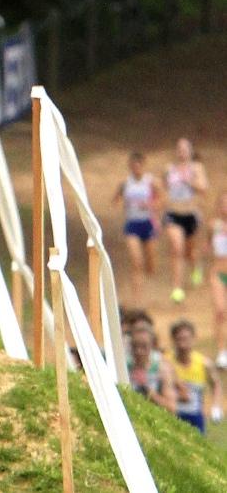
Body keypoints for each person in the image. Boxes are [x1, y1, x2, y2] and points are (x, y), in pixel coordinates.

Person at [162, 138, 208, 303]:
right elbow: (164, 188)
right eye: (179, 148)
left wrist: (188, 180)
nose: (181, 152)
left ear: (190, 151)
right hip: (173, 213)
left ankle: (196, 266)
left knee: (190, 251)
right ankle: (177, 288)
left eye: (185, 149)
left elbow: (203, 188)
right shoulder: (169, 169)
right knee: (176, 248)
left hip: (190, 214)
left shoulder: (196, 168)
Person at [113, 152, 161, 304]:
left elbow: (162, 199)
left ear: (143, 165)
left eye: (139, 165)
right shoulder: (125, 183)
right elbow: (115, 199)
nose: (136, 168)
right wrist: (122, 205)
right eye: (133, 166)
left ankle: (151, 289)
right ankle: (137, 298)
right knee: (136, 261)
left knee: (150, 261)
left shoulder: (151, 182)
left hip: (147, 222)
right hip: (132, 224)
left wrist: (151, 205)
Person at [165, 320, 223, 433]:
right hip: (171, 415)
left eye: (186, 338)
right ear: (173, 340)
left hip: (195, 417)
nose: (183, 344)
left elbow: (216, 384)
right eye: (179, 339)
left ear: (193, 338)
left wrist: (216, 406)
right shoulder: (166, 361)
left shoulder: (204, 364)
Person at [127, 322, 177, 414]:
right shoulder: (124, 368)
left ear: (152, 345)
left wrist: (146, 389)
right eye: (135, 346)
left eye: (144, 346)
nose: (139, 351)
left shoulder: (161, 370)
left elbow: (171, 408)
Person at [209, 192, 227, 369]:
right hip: (218, 273)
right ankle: (222, 351)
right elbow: (207, 247)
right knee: (220, 311)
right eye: (223, 204)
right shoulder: (213, 225)